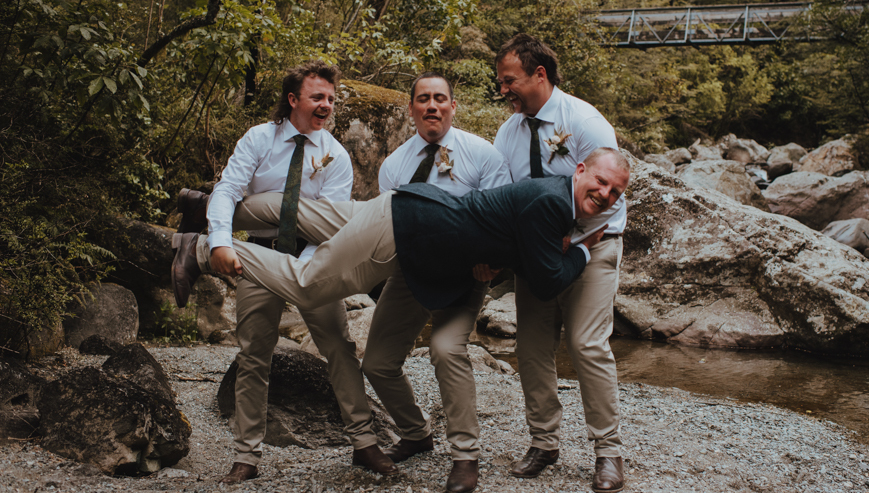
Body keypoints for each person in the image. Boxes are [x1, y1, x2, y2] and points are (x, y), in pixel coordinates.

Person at [171, 149, 630, 366]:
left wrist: (506, 259)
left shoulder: (552, 201)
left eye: (615, 192)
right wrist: (585, 252)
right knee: (307, 284)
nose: (606, 194)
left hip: (412, 222)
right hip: (408, 227)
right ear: (580, 170)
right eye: (601, 182)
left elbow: (523, 254)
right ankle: (202, 245)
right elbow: (548, 281)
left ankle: (205, 209)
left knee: (309, 217)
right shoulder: (554, 203)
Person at [173, 60, 396, 484]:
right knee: (254, 354)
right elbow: (228, 191)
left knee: (339, 347)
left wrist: (307, 273)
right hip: (256, 258)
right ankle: (246, 456)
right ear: (293, 99)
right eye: (318, 97)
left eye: (331, 98)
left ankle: (365, 443)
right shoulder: (261, 138)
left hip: (314, 260)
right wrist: (220, 241)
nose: (327, 105)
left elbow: (325, 224)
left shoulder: (336, 155)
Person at [360, 72, 511, 493]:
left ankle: (465, 455)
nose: (432, 106)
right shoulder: (394, 165)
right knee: (377, 362)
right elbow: (387, 226)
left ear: (453, 106)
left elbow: (500, 220)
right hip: (412, 272)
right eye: (423, 99)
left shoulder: (483, 155)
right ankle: (415, 433)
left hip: (466, 275)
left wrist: (492, 263)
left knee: (445, 349)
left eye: (440, 98)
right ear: (411, 109)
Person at [491, 33, 628, 493]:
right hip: (536, 255)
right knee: (531, 348)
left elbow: (610, 195)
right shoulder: (508, 132)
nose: (503, 89)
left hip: (594, 246)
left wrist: (572, 240)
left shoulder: (585, 122)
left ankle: (608, 452)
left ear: (539, 75)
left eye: (509, 80)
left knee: (588, 345)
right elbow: (506, 196)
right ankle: (544, 442)